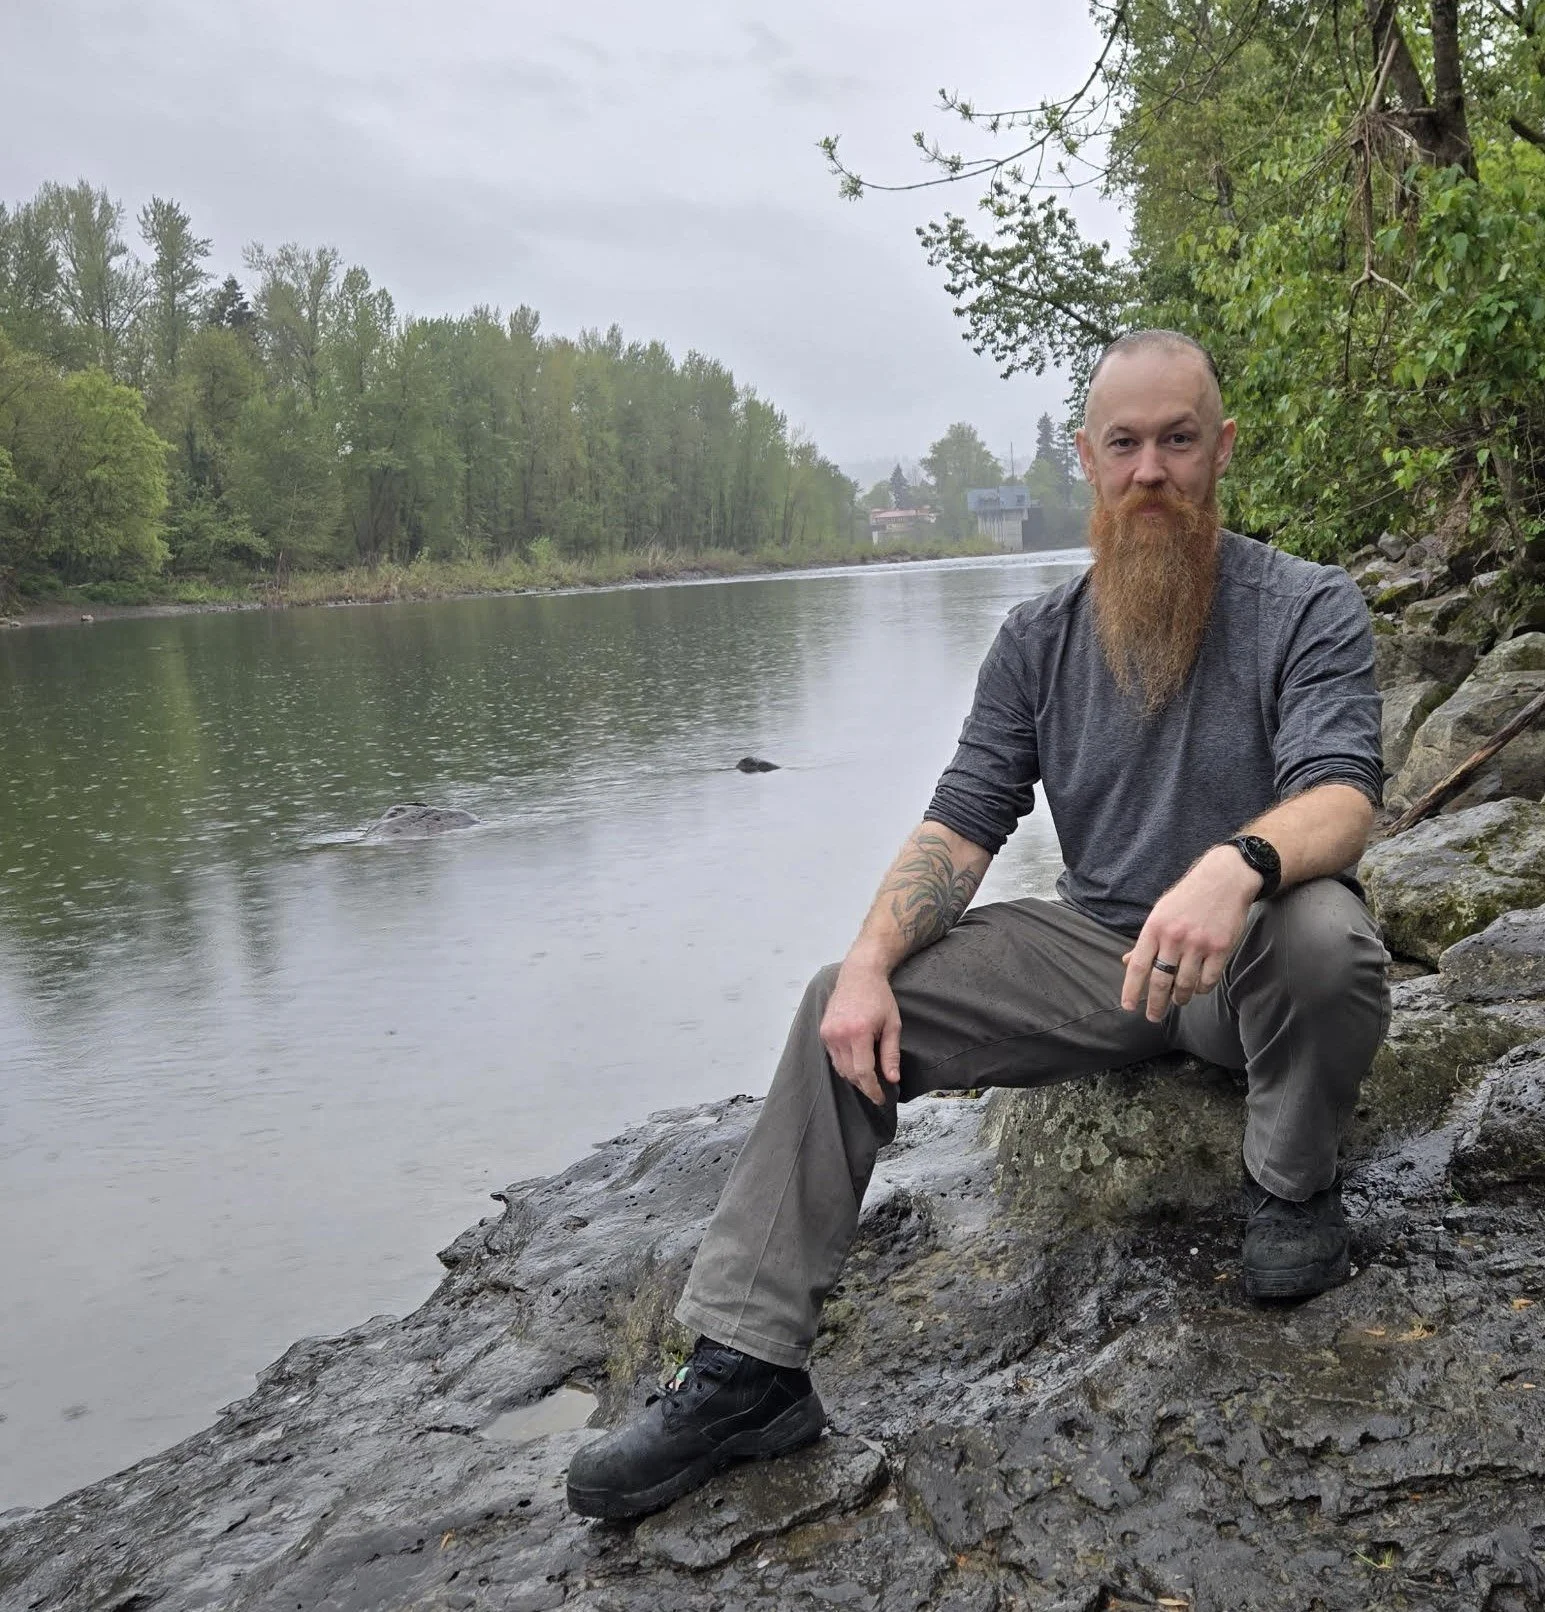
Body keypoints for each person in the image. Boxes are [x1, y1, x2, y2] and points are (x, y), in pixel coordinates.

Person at [565, 329, 1389, 1522]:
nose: (1150, 469)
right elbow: (961, 830)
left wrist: (1239, 863)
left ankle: (1292, 1190)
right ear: (1087, 460)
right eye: (1125, 445)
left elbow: (1345, 795)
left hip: (1245, 956)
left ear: (1222, 450)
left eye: (1177, 440)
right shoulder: (1036, 641)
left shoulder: (1307, 605)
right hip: (1096, 951)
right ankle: (747, 1370)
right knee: (834, 1004)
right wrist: (866, 962)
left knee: (1326, 937)